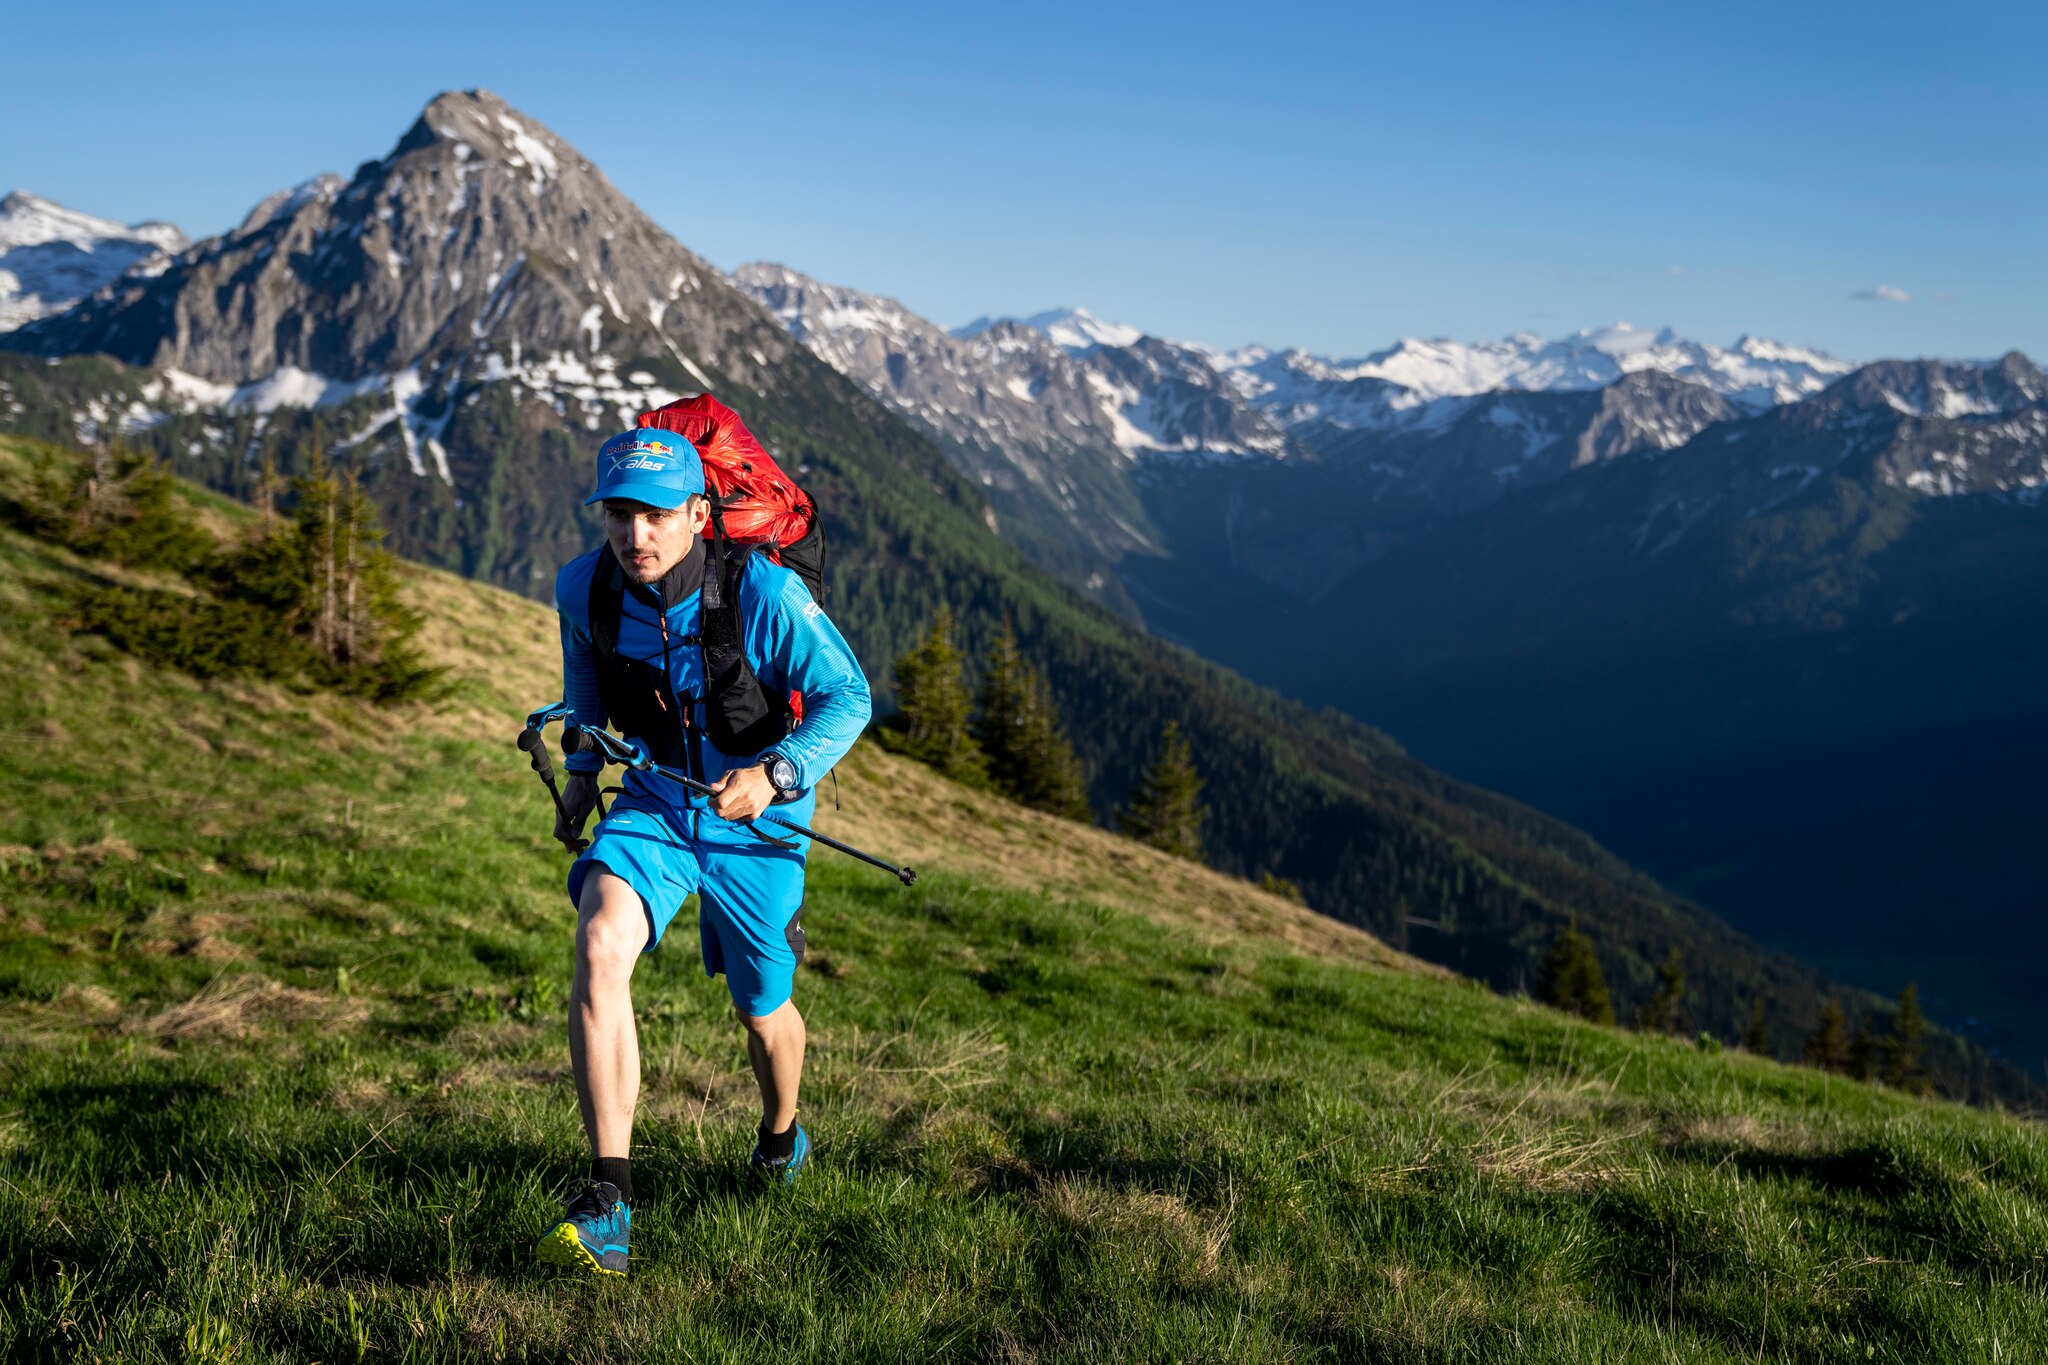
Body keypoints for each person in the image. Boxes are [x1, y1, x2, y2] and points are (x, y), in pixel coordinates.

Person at [534, 426, 871, 1277]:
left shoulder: (760, 591)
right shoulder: (587, 587)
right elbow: (585, 679)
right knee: (600, 938)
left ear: (696, 512)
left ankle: (781, 1134)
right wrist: (581, 769)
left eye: (654, 515)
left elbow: (849, 696)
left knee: (764, 1010)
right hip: (655, 797)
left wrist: (778, 771)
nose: (634, 535)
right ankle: (609, 1202)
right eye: (619, 514)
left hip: (760, 819)